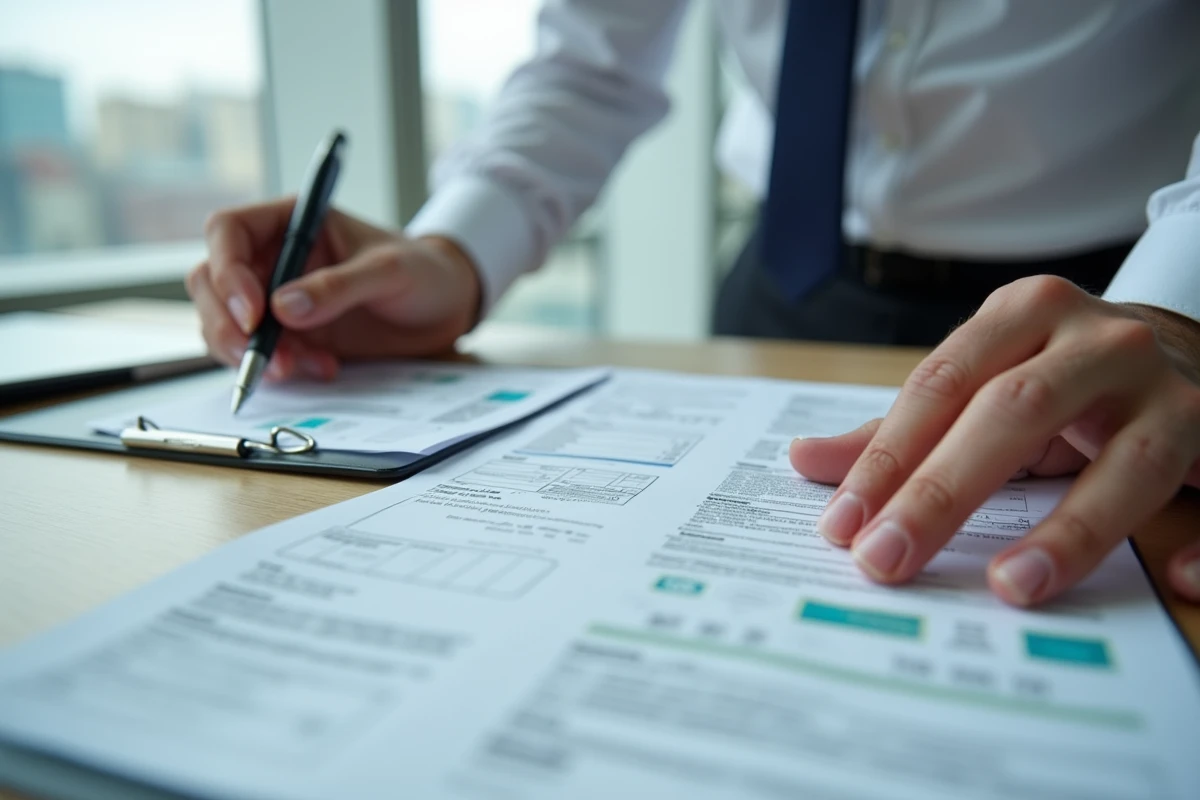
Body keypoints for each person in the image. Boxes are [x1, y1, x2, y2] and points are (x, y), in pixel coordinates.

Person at [187, 1, 1200, 608]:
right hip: (783, 284)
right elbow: (588, 61)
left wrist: (1176, 303)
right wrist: (453, 252)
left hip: (1112, 308)